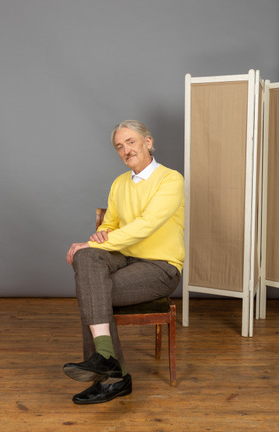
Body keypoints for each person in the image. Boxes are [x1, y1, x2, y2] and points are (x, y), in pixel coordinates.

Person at [64, 120, 185, 404]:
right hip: (125, 258)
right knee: (87, 260)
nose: (126, 149)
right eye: (120, 146)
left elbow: (147, 224)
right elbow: (111, 226)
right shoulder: (120, 183)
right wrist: (100, 236)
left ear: (148, 142)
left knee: (91, 290)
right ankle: (108, 365)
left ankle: (111, 377)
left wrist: (93, 241)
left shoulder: (171, 179)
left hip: (160, 267)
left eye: (131, 142)